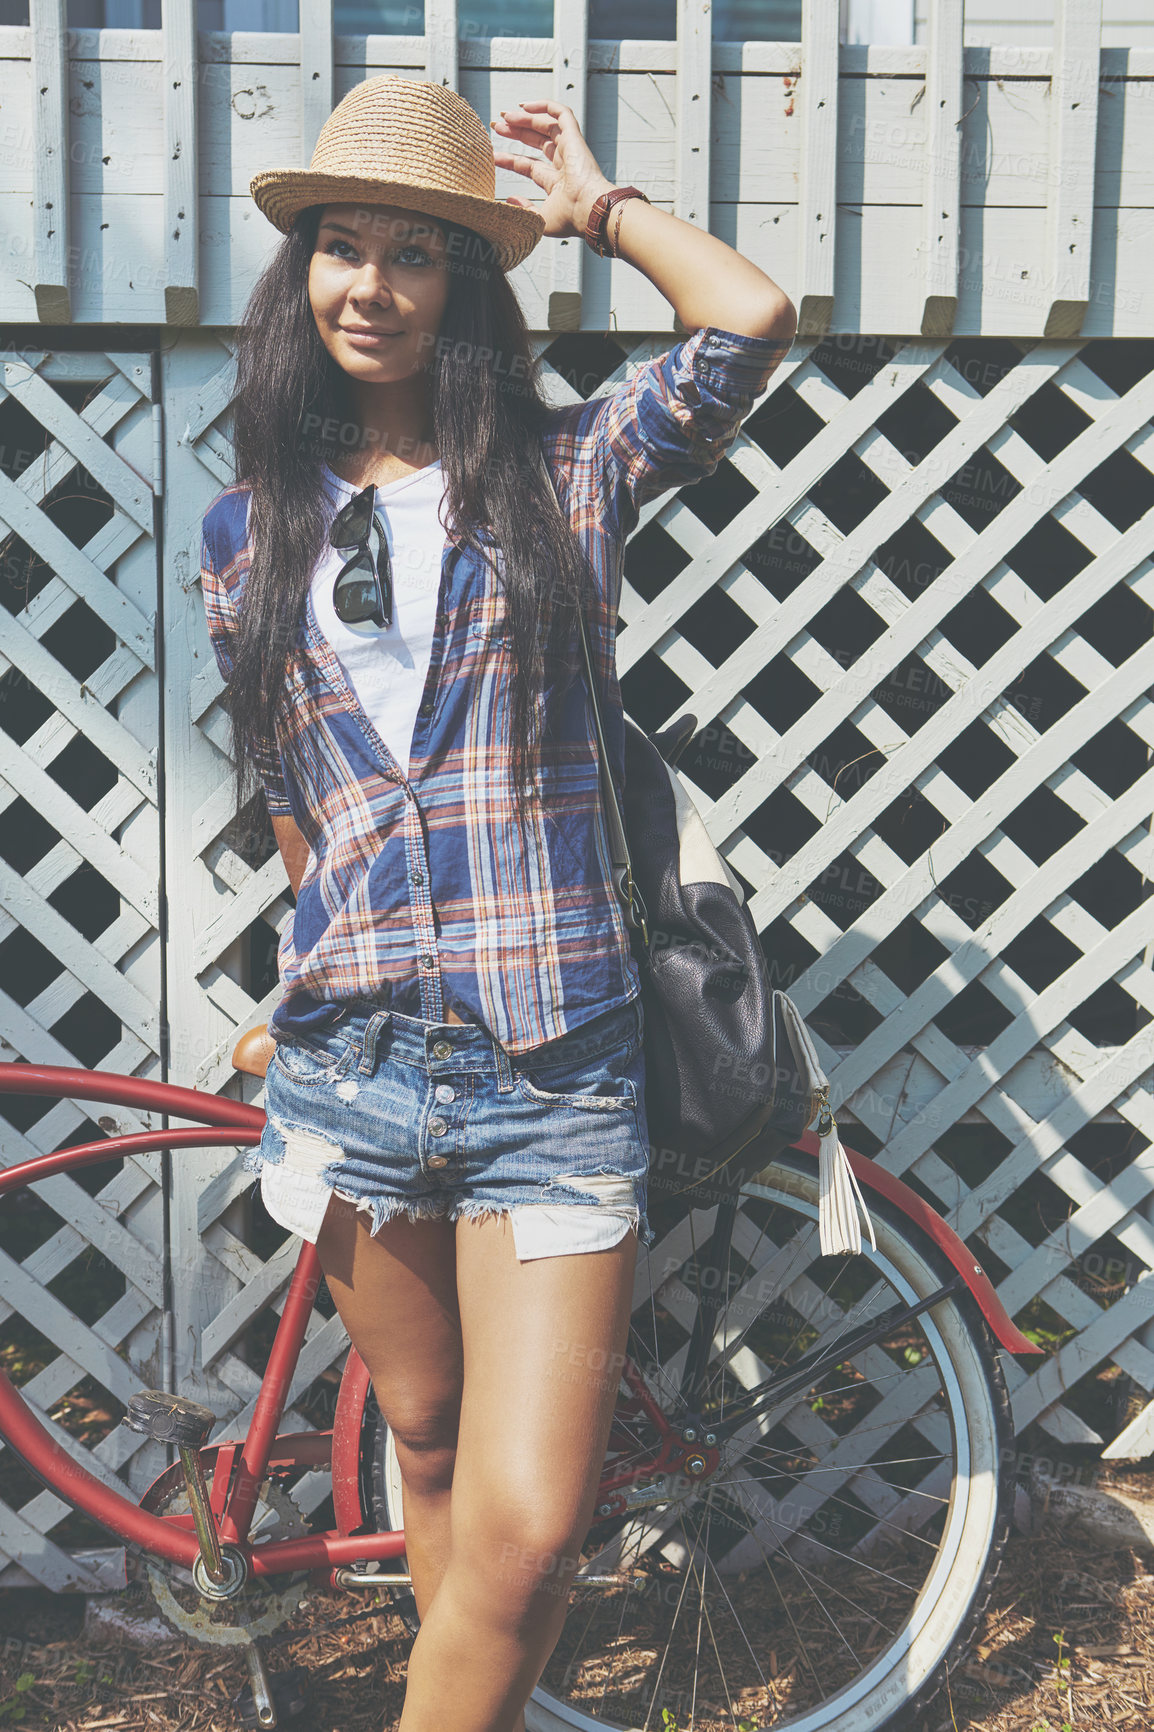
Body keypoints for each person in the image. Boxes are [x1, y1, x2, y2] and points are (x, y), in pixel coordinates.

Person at [199, 72, 794, 1732]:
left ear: (465, 287)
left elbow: (746, 318)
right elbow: (297, 803)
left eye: (413, 255)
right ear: (297, 275)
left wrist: (592, 209)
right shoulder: (248, 530)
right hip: (350, 1074)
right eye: (339, 249)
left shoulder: (566, 470)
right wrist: (299, 973)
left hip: (550, 1067)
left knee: (529, 1535)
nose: (367, 287)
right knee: (435, 1448)